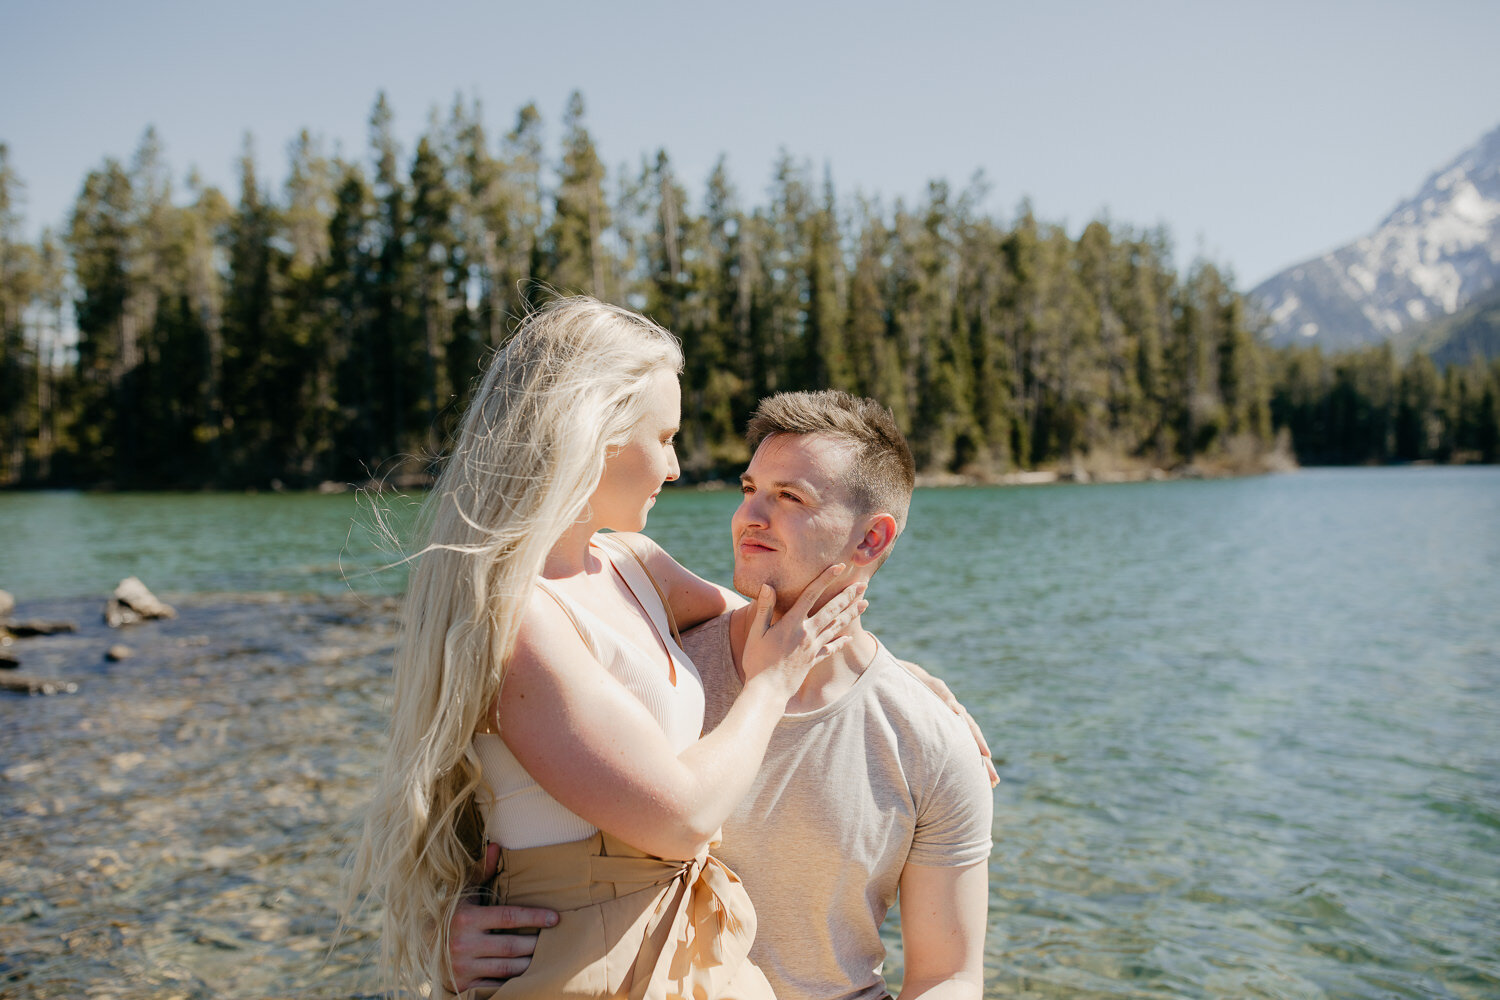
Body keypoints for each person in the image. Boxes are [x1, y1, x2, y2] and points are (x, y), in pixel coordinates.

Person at [348, 298, 867, 999]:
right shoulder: (516, 617)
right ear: (594, 435)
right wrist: (770, 686)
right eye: (665, 436)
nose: (677, 466)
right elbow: (681, 818)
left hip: (685, 944)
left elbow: (795, 621)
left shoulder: (634, 564)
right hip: (581, 964)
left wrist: (911, 697)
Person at [448, 390, 995, 1000]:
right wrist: (449, 924)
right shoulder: (661, 670)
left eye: (790, 497)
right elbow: (502, 819)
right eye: (749, 489)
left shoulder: (931, 739)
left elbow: (949, 974)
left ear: (871, 540)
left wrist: (899, 685)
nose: (749, 516)